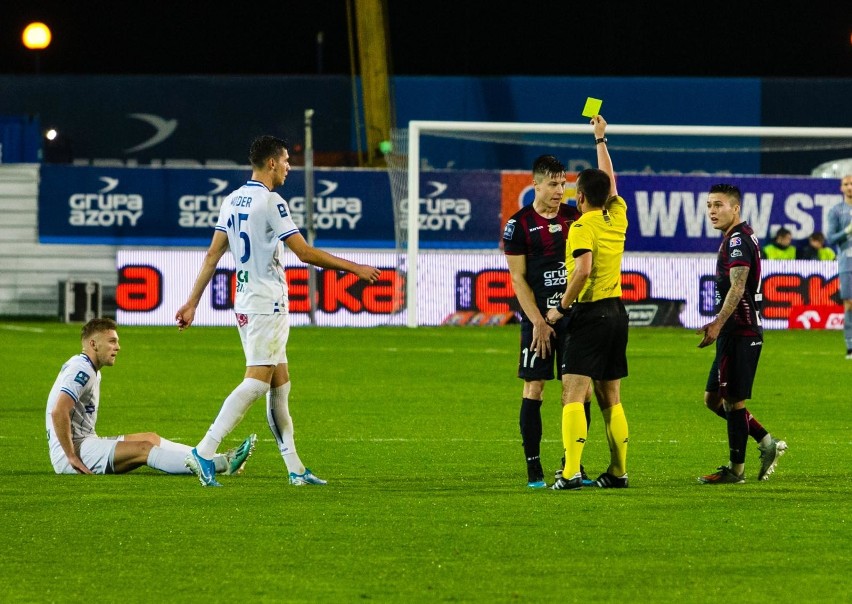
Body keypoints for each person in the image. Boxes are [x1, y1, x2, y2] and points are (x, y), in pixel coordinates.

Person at [176, 135, 381, 487]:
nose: (289, 167)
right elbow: (305, 253)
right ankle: (204, 450)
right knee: (256, 383)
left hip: (245, 301)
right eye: (286, 160)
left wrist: (192, 302)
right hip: (266, 303)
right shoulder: (271, 201)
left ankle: (295, 468)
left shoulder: (232, 199)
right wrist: (355, 267)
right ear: (271, 163)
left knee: (280, 385)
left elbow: (213, 255)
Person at [46, 317, 255, 476]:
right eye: (112, 341)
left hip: (86, 442)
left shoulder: (87, 367)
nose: (118, 347)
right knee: (144, 449)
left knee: (150, 438)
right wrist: (71, 456)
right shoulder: (81, 371)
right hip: (73, 452)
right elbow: (59, 411)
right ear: (93, 344)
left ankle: (209, 457)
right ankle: (220, 464)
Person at [545, 115, 630, 490]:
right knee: (610, 396)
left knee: (572, 393)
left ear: (579, 197)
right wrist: (601, 139)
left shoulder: (581, 226)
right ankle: (617, 472)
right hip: (617, 313)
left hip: (590, 314)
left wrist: (561, 307)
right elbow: (608, 183)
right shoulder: (616, 217)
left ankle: (570, 472)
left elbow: (582, 270)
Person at [503, 154, 593, 489]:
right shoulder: (519, 224)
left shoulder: (575, 217)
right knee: (535, 388)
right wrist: (538, 322)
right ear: (536, 184)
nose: (560, 190)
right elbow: (518, 280)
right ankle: (534, 470)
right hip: (537, 321)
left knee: (580, 393)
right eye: (553, 184)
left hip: (574, 319)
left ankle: (574, 466)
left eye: (563, 184)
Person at [696, 184, 787, 484]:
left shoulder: (737, 240)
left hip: (741, 331)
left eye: (718, 205)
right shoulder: (737, 236)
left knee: (733, 401)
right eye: (709, 205)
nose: (712, 211)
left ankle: (736, 470)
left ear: (735, 208)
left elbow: (738, 285)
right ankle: (765, 441)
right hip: (734, 331)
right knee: (712, 399)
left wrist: (718, 323)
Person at [826, 174, 852, 359]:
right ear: (841, 188)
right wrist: (847, 231)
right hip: (847, 260)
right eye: (846, 184)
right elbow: (831, 238)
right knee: (849, 303)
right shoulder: (836, 211)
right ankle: (850, 345)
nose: (850, 186)